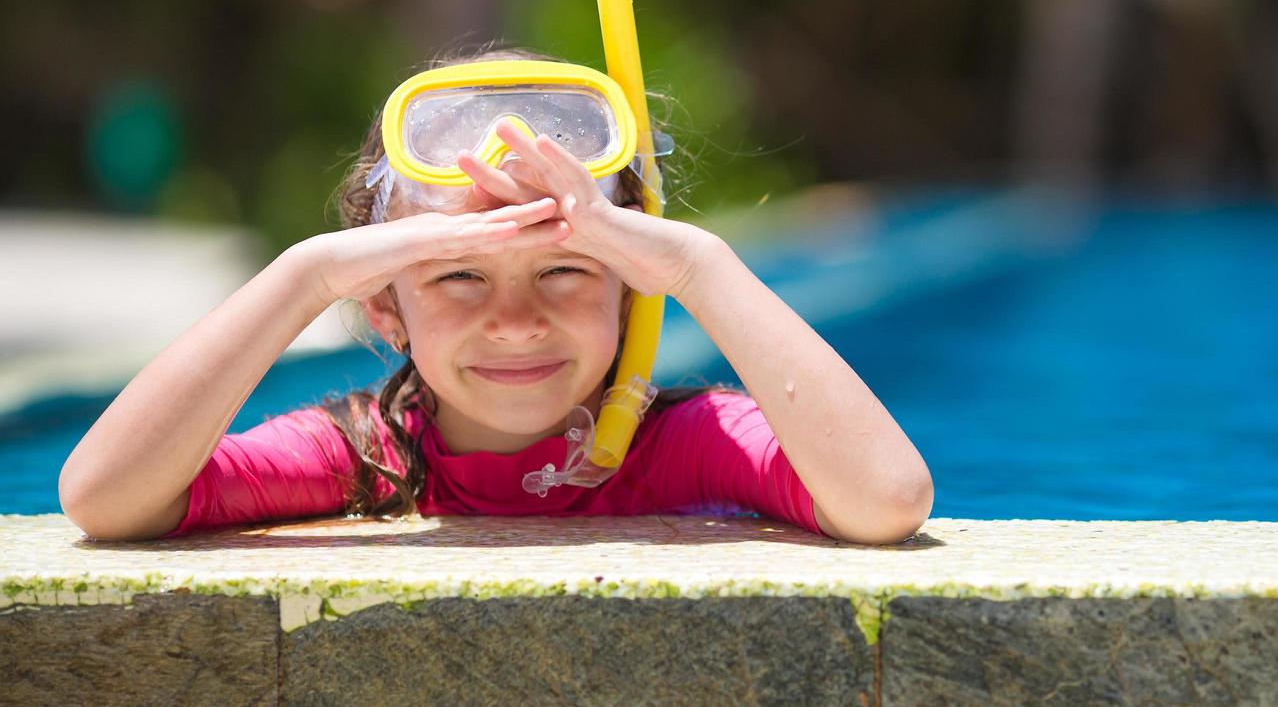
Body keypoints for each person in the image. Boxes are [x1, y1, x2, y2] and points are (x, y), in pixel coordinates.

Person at [58, 47, 933, 544]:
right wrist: (304, 275)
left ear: (631, 292)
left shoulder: (680, 446)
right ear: (383, 308)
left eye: (562, 269)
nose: (515, 322)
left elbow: (885, 500)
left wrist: (700, 266)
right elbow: (105, 497)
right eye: (459, 276)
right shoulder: (369, 459)